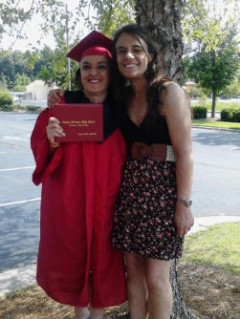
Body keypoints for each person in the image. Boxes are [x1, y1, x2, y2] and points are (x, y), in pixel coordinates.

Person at [31, 31, 127, 319]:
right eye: (87, 67)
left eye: (101, 66)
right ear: (79, 72)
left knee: (104, 256)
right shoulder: (60, 110)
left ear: (111, 73)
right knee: (74, 255)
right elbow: (41, 151)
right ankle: (79, 315)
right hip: (70, 201)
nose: (93, 73)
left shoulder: (124, 112)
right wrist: (50, 141)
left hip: (110, 201)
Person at [110, 24, 194, 319]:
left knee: (157, 278)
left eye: (136, 49)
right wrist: (58, 96)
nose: (128, 56)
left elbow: (185, 154)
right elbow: (86, 97)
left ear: (150, 55)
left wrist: (183, 205)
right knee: (132, 271)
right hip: (131, 193)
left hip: (162, 196)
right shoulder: (120, 97)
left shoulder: (168, 92)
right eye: (121, 51)